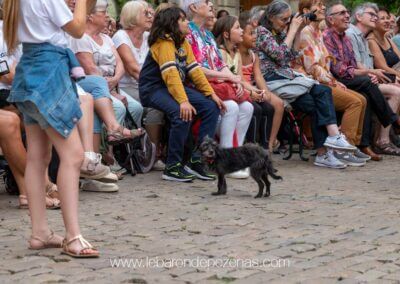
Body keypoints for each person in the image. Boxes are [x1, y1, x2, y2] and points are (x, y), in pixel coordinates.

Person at [4, 0, 99, 257]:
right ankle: (73, 236)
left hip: (32, 68)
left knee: (38, 157)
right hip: (49, 71)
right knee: (73, 155)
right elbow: (78, 29)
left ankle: (40, 232)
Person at [255, 0, 355, 169]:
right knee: (323, 91)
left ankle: (324, 152)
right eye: (283, 19)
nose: (286, 23)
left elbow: (291, 56)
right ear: (271, 17)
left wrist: (297, 30)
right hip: (272, 81)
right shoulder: (262, 32)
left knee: (317, 104)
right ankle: (333, 137)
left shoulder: (279, 31)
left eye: (289, 19)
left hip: (287, 81)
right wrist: (293, 29)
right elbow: (280, 56)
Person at [139, 7, 224, 182]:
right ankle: (172, 166)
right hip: (153, 89)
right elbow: (170, 74)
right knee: (181, 113)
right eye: (183, 20)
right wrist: (183, 101)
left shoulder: (183, 42)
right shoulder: (163, 43)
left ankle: (196, 160)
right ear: (172, 24)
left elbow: (195, 72)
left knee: (211, 106)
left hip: (171, 88)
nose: (187, 23)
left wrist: (211, 94)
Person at [183, 0, 254, 179]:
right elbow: (195, 68)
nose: (211, 4)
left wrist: (234, 80)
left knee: (248, 107)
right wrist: (229, 77)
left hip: (215, 83)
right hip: (197, 86)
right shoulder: (188, 33)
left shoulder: (207, 35)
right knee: (231, 106)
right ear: (193, 7)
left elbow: (220, 64)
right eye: (206, 2)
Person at [297, 0, 369, 166]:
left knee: (362, 99)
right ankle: (343, 149)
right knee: (355, 102)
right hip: (312, 84)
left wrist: (333, 80)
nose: (323, 7)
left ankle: (350, 145)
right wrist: (332, 81)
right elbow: (312, 67)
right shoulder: (306, 32)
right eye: (319, 5)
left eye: (323, 5)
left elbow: (325, 64)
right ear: (307, 10)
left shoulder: (318, 32)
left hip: (324, 81)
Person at [70, 0, 145, 130]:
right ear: (90, 16)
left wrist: (115, 79)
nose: (108, 16)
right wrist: (111, 92)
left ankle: (130, 148)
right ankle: (111, 144)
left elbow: (119, 63)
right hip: (96, 87)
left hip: (113, 84)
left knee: (136, 108)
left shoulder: (106, 38)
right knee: (119, 108)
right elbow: (91, 69)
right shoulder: (80, 38)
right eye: (103, 12)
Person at [340, 3, 400, 157]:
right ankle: (383, 138)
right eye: (372, 14)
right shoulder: (352, 34)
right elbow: (356, 66)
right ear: (359, 17)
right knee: (395, 91)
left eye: (376, 15)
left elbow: (363, 64)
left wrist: (373, 74)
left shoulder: (363, 37)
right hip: (354, 79)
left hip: (367, 78)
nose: (376, 17)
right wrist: (371, 74)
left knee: (393, 88)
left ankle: (384, 137)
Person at [113, 0, 165, 170]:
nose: (151, 17)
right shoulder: (121, 37)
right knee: (154, 104)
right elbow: (133, 69)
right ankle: (141, 153)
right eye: (146, 13)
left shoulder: (148, 37)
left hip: (146, 86)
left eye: (151, 13)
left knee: (161, 107)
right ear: (133, 17)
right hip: (127, 88)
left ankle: (152, 153)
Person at [229, 14, 285, 152]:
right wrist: (252, 92)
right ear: (241, 37)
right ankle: (251, 146)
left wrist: (265, 92)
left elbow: (258, 76)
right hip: (242, 89)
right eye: (251, 33)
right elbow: (240, 79)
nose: (255, 36)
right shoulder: (236, 54)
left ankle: (268, 146)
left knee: (272, 106)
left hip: (251, 89)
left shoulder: (254, 55)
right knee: (258, 109)